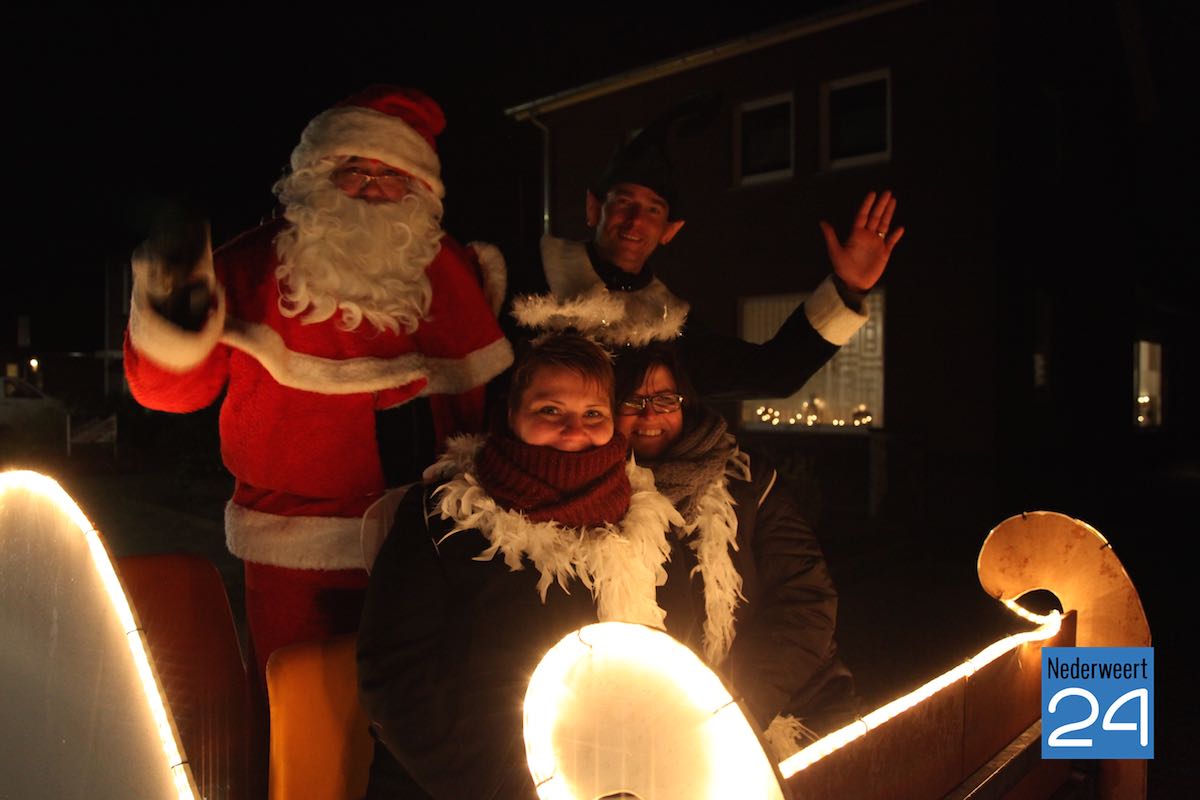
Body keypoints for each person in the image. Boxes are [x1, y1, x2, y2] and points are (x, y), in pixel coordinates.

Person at [123, 86, 512, 675]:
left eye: (392, 174)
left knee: (426, 705)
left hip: (432, 544)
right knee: (301, 707)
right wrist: (172, 308)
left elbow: (490, 406)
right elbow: (167, 392)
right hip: (297, 557)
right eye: (355, 170)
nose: (372, 189)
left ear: (419, 189)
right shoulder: (250, 266)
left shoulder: (450, 268)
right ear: (317, 175)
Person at [357, 332, 683, 798]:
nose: (574, 431)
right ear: (511, 415)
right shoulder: (440, 516)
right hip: (460, 784)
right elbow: (395, 675)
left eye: (593, 414)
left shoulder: (643, 518)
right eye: (550, 410)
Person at [511, 109, 904, 401]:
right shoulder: (527, 277)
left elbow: (772, 374)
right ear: (594, 208)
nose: (635, 220)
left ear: (670, 230)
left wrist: (848, 288)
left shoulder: (670, 325)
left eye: (653, 210)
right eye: (623, 202)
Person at [613, 343, 854, 753]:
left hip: (783, 712)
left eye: (665, 399)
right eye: (632, 401)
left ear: (685, 403)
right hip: (654, 738)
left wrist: (732, 714)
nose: (650, 415)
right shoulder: (597, 499)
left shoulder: (747, 481)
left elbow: (807, 600)